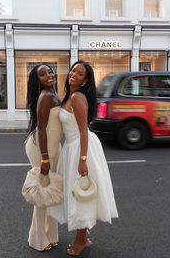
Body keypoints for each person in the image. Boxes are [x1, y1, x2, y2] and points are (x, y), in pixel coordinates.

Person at [49, 61, 118, 256]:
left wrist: (83, 159)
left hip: (81, 147)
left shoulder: (78, 97)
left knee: (79, 194)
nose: (73, 74)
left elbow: (84, 131)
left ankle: (81, 240)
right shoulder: (69, 96)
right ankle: (83, 234)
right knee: (77, 192)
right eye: (73, 70)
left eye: (79, 74)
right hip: (72, 148)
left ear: (85, 80)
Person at [24, 64, 62, 251]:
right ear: (37, 80)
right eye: (42, 74)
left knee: (50, 190)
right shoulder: (46, 97)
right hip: (42, 148)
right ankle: (37, 239)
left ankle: (51, 234)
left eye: (49, 71)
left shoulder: (53, 93)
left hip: (52, 146)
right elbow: (41, 129)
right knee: (42, 192)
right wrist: (45, 159)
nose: (48, 75)